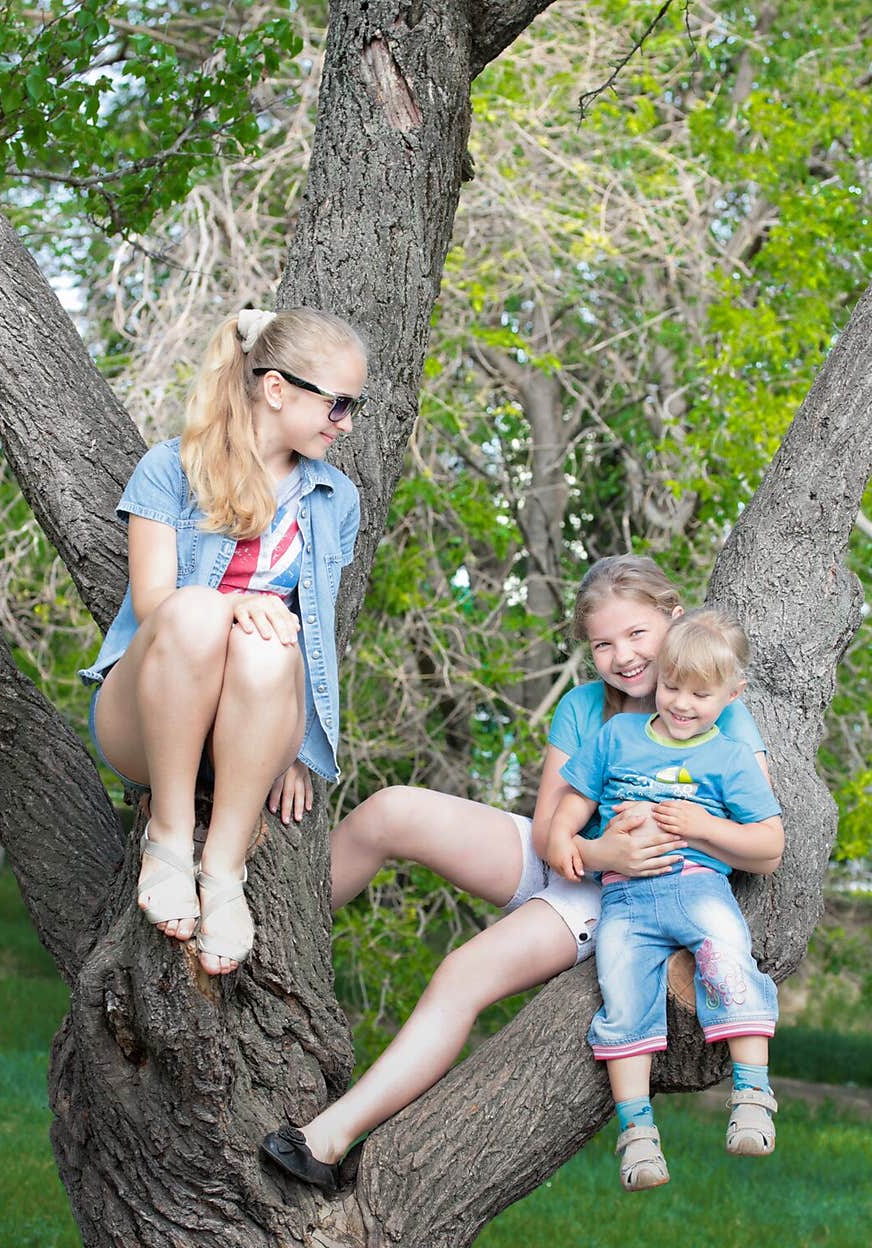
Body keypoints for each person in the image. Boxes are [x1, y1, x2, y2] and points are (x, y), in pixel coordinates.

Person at [260, 556, 779, 1193]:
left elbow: (757, 838)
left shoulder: (716, 708)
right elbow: (547, 830)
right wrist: (598, 851)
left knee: (461, 974)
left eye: (638, 635)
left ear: (673, 620)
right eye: (603, 644)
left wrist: (625, 856)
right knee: (391, 810)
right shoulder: (585, 707)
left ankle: (327, 1140)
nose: (624, 656)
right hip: (579, 858)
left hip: (629, 893)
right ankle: (265, 942)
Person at [78, 306, 368, 976]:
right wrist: (238, 604)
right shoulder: (170, 468)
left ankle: (224, 867)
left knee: (271, 645)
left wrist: (294, 744)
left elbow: (309, 640)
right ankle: (171, 839)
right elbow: (155, 607)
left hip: (253, 719)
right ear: (276, 389)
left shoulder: (334, 498)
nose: (346, 422)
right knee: (197, 611)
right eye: (338, 403)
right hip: (151, 716)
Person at [547, 607, 784, 1192]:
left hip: (699, 888)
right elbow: (567, 818)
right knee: (622, 1002)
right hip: (625, 901)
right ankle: (637, 1135)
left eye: (701, 694)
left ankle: (752, 1094)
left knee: (730, 963)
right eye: (672, 685)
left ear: (733, 694)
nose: (681, 703)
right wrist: (577, 843)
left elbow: (769, 847)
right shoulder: (616, 737)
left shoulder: (728, 756)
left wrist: (702, 825)